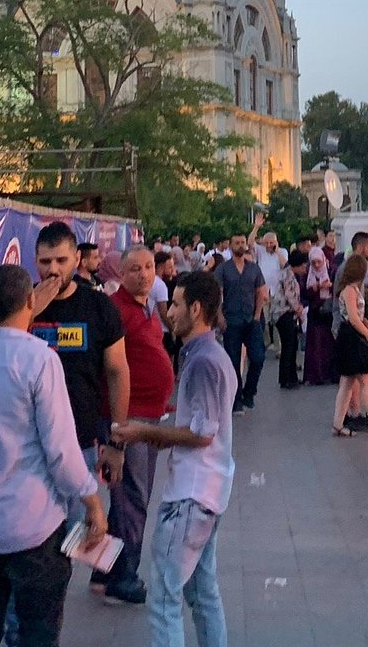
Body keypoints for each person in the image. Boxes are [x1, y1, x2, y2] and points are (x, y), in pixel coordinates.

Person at [0, 265, 107, 647]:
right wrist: (92, 502)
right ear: (31, 301)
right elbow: (62, 452)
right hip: (35, 526)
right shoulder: (39, 360)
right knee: (37, 632)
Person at [111, 271, 236, 647]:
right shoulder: (206, 355)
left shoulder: (204, 361)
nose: (170, 313)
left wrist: (144, 433)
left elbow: (201, 433)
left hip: (191, 497)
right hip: (206, 492)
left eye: (177, 305)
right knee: (202, 594)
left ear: (196, 309)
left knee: (165, 600)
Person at [97, 247, 176, 605]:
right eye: (134, 269)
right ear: (120, 273)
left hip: (148, 414)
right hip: (129, 418)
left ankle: (104, 570)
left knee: (124, 499)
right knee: (133, 498)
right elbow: (111, 370)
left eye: (148, 267)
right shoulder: (115, 311)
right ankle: (124, 576)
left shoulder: (145, 307)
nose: (144, 275)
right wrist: (117, 426)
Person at [30, 222, 129, 493]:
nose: (53, 270)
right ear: (35, 260)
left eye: (62, 260)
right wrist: (29, 312)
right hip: (29, 442)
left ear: (77, 259)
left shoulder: (99, 307)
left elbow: (117, 372)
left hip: (80, 440)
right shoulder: (20, 304)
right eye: (45, 261)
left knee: (79, 529)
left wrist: (116, 442)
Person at [214, 231, 268, 413]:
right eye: (236, 242)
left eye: (242, 242)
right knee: (233, 361)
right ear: (230, 245)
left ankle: (249, 392)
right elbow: (218, 294)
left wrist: (257, 316)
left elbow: (261, 292)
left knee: (258, 357)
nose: (240, 245)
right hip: (231, 320)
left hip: (251, 319)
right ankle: (236, 399)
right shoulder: (223, 269)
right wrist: (220, 316)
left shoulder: (253, 268)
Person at [331, 254, 368, 437]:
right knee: (366, 380)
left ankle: (338, 423)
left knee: (347, 381)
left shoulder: (351, 289)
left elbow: (357, 316)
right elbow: (353, 318)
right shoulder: (350, 291)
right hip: (352, 337)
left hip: (349, 336)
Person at [248, 212, 283, 348]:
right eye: (267, 242)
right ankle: (265, 342)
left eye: (271, 242)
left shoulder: (282, 252)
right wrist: (256, 227)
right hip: (263, 291)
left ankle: (279, 347)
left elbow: (284, 264)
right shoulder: (261, 251)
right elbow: (250, 242)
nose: (269, 245)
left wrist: (277, 250)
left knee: (277, 321)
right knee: (264, 319)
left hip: (277, 292)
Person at [272, 250, 305, 389]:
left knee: (290, 346)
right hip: (283, 313)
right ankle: (286, 378)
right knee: (288, 346)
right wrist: (299, 309)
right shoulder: (288, 276)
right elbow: (290, 295)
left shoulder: (288, 274)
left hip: (285, 313)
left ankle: (291, 377)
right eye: (303, 265)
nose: (305, 268)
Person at [303, 249, 336, 385]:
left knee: (329, 343)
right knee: (316, 344)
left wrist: (330, 286)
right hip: (315, 312)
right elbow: (304, 293)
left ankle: (331, 373)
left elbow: (338, 286)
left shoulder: (331, 270)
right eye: (314, 262)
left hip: (328, 311)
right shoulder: (307, 274)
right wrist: (316, 287)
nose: (316, 265)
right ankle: (317, 375)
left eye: (319, 262)